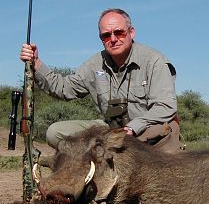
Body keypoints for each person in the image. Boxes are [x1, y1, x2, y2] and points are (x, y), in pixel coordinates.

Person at [20, 8, 183, 153]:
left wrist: (133, 128)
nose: (113, 39)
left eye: (119, 32)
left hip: (147, 130)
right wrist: (36, 63)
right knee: (55, 133)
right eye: (106, 35)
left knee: (141, 143)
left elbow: (165, 107)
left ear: (131, 32)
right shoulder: (95, 63)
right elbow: (64, 88)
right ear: (101, 38)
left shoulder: (154, 61)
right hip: (112, 131)